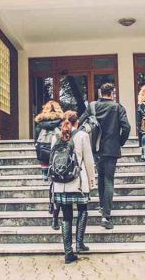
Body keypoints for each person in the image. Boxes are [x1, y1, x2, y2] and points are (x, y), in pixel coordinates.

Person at [79, 83, 131, 229]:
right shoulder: (117, 107)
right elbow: (126, 127)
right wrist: (120, 142)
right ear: (112, 93)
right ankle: (106, 216)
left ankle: (102, 206)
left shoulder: (92, 106)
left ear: (100, 92)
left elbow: (80, 124)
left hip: (94, 149)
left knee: (101, 178)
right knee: (108, 180)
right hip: (111, 149)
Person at [52, 111, 96, 264]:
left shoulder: (56, 136)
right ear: (77, 122)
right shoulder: (82, 135)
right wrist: (92, 181)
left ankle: (68, 252)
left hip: (60, 183)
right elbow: (89, 161)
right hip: (78, 181)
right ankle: (79, 244)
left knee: (66, 216)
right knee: (83, 209)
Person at [33, 100, 63, 230]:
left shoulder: (40, 122)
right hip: (57, 155)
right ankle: (55, 207)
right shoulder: (61, 121)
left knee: (50, 182)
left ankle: (51, 203)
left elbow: (35, 140)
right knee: (57, 183)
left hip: (44, 156)